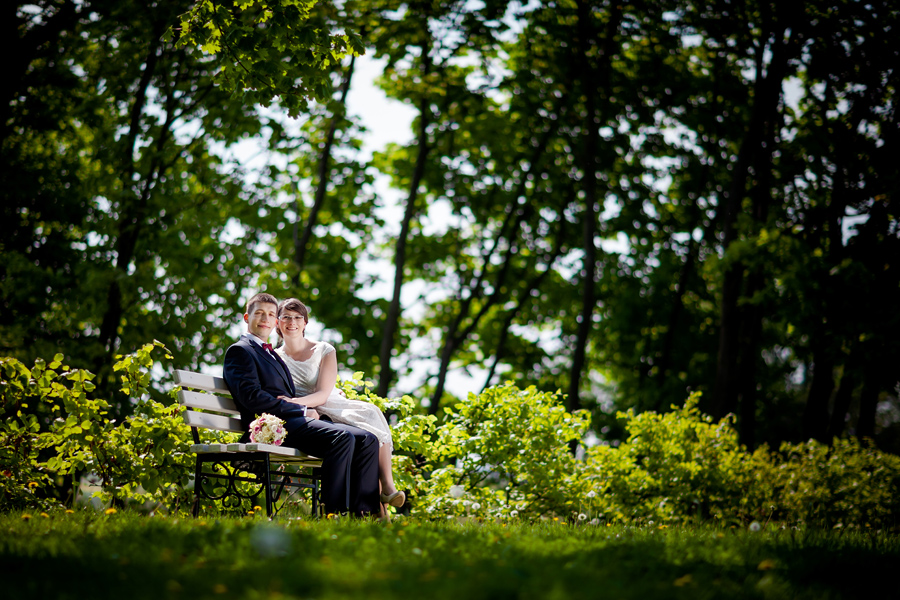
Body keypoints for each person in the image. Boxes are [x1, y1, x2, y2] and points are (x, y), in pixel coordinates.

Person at [223, 292, 380, 517]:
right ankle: (333, 513)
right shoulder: (240, 351)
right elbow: (253, 398)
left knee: (367, 439)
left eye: (270, 314)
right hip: (272, 427)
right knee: (341, 438)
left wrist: (316, 404)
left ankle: (364, 514)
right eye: (259, 313)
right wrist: (301, 409)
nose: (265, 319)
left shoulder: (271, 354)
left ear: (275, 321)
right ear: (247, 318)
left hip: (294, 421)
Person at [273, 298, 406, 508]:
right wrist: (301, 408)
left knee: (371, 414)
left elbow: (324, 394)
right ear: (278, 322)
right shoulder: (274, 357)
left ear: (305, 323)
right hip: (309, 413)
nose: (292, 322)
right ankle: (373, 511)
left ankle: (388, 486)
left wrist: (296, 402)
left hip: (327, 401)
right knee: (364, 440)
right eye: (286, 317)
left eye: (298, 317)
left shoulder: (323, 349)